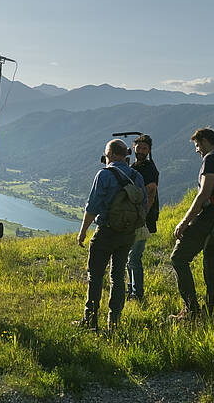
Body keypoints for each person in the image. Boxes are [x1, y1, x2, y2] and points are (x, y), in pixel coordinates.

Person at [76, 139, 147, 331]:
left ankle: (89, 320)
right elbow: (144, 205)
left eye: (106, 156)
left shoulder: (105, 175)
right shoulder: (137, 176)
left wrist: (82, 232)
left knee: (95, 276)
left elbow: (92, 207)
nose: (105, 159)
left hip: (106, 232)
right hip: (127, 234)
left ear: (112, 154)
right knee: (117, 276)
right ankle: (114, 322)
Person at [170, 127, 214, 320]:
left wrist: (184, 222)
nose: (197, 150)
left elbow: (204, 193)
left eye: (197, 145)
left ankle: (191, 311)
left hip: (209, 218)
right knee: (212, 263)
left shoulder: (211, 159)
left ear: (205, 141)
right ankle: (211, 312)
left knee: (178, 258)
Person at [126, 134, 159, 301]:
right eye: (138, 147)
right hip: (133, 218)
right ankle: (130, 290)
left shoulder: (148, 169)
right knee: (128, 257)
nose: (140, 151)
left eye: (144, 148)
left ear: (149, 150)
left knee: (134, 257)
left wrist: (142, 217)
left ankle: (138, 294)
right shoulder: (134, 166)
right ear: (133, 148)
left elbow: (151, 193)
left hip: (141, 219)